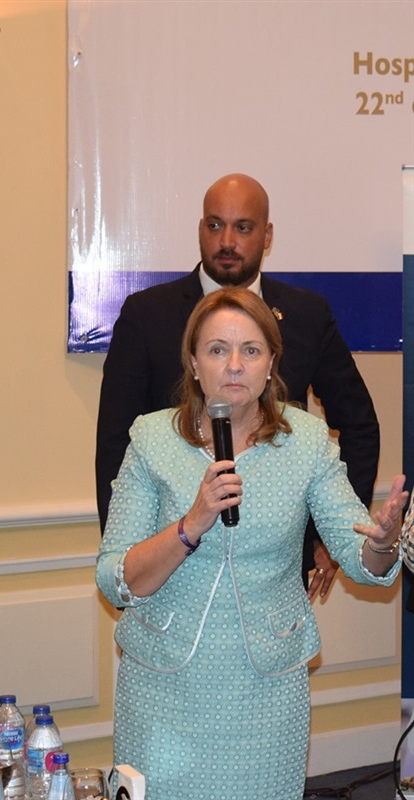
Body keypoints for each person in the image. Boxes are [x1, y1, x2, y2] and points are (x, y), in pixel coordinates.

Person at [96, 288, 406, 800]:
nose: (235, 365)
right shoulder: (152, 439)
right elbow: (115, 579)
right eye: (218, 349)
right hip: (163, 686)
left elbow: (360, 557)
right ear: (193, 364)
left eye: (252, 350)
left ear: (271, 365)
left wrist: (385, 541)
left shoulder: (306, 441)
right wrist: (190, 524)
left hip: (266, 689)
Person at [95, 173, 380, 598]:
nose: (226, 241)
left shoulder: (307, 314)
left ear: (267, 236)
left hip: (274, 577)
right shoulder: (146, 315)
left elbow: (359, 425)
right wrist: (130, 575)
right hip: (171, 570)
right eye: (215, 225)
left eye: (243, 227)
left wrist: (331, 538)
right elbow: (114, 445)